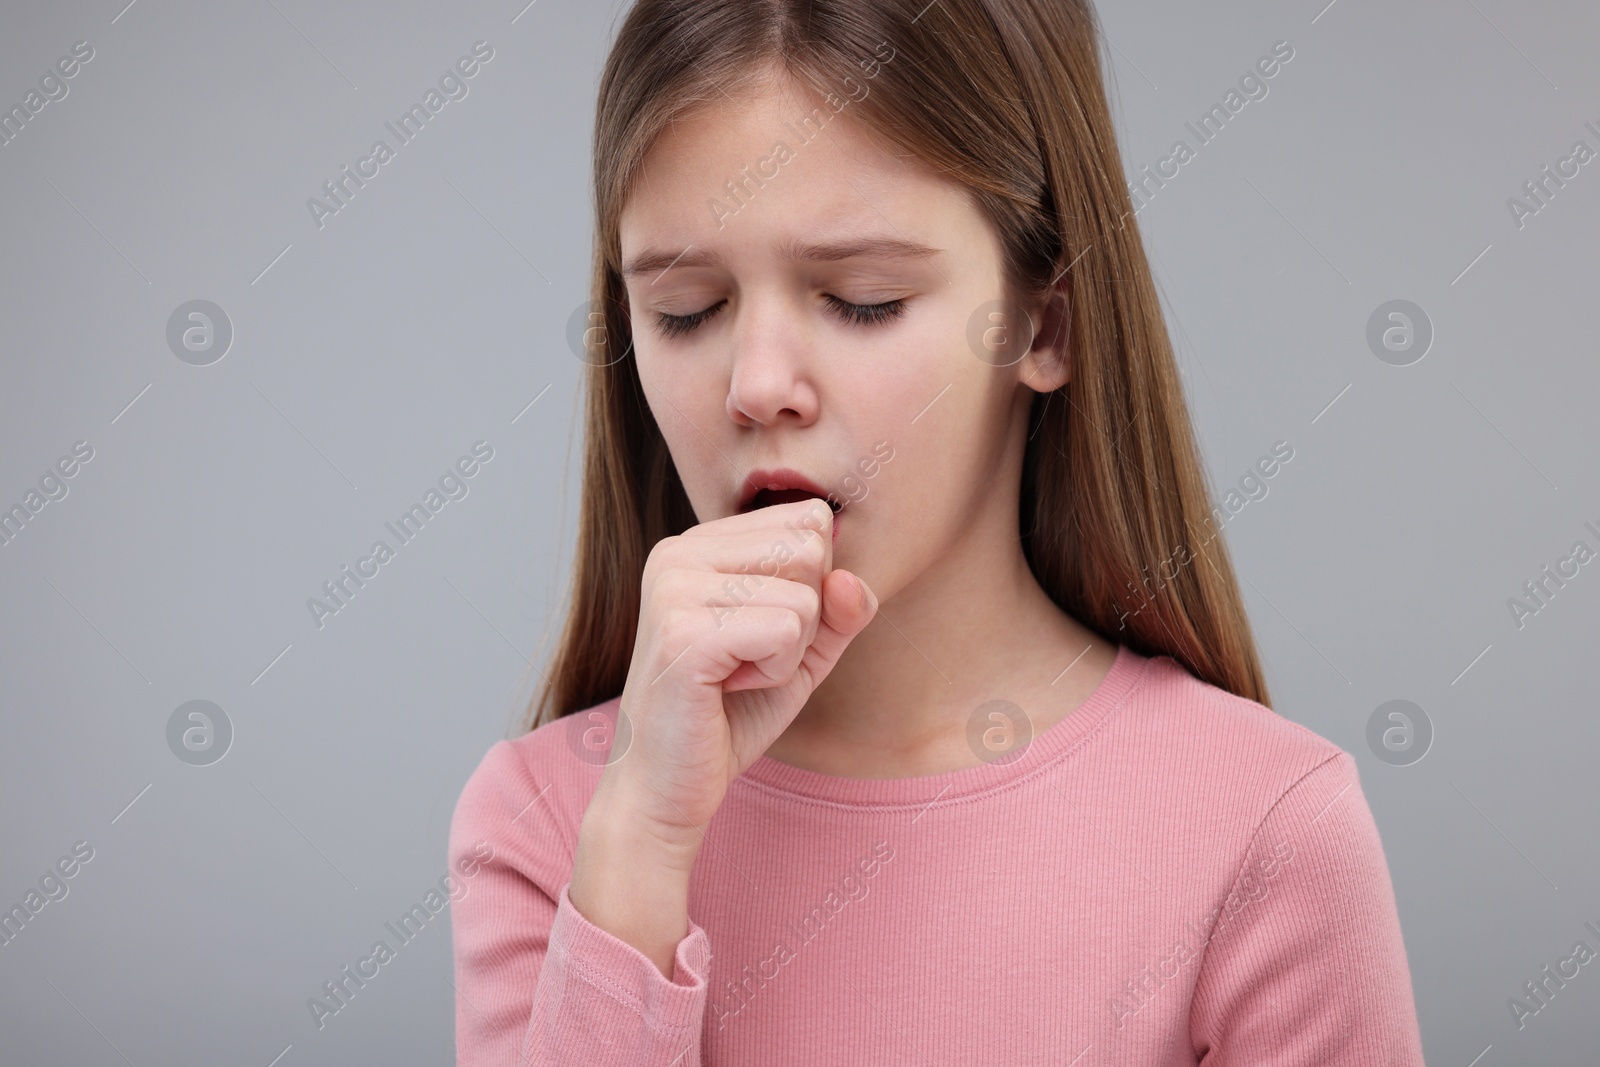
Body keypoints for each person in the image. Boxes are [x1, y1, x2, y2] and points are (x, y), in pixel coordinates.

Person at [448, 0, 1427, 1063]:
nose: (758, 385)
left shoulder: (1267, 830)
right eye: (685, 309)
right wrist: (636, 850)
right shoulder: (552, 826)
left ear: (1043, 323)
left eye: (862, 300)